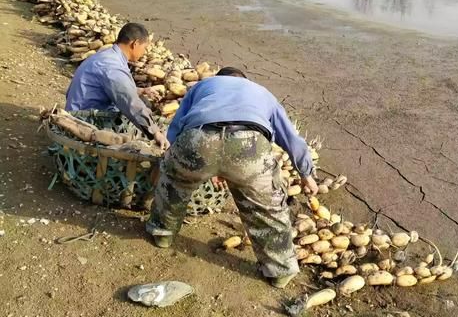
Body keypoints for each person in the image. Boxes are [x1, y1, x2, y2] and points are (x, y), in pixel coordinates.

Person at [146, 67, 318, 289]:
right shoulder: (261, 92)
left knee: (174, 183)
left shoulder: (201, 86)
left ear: (219, 79)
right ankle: (280, 271)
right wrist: (306, 173)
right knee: (266, 208)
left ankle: (163, 233)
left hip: (198, 138)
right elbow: (291, 137)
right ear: (244, 81)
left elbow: (176, 126)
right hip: (249, 144)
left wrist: (169, 160)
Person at [65, 22, 169, 150]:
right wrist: (156, 133)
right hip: (83, 120)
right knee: (141, 114)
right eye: (144, 47)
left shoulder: (108, 56)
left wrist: (140, 90)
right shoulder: (112, 67)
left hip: (78, 108)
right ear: (135, 44)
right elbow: (130, 103)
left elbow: (113, 87)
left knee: (143, 104)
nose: (145, 52)